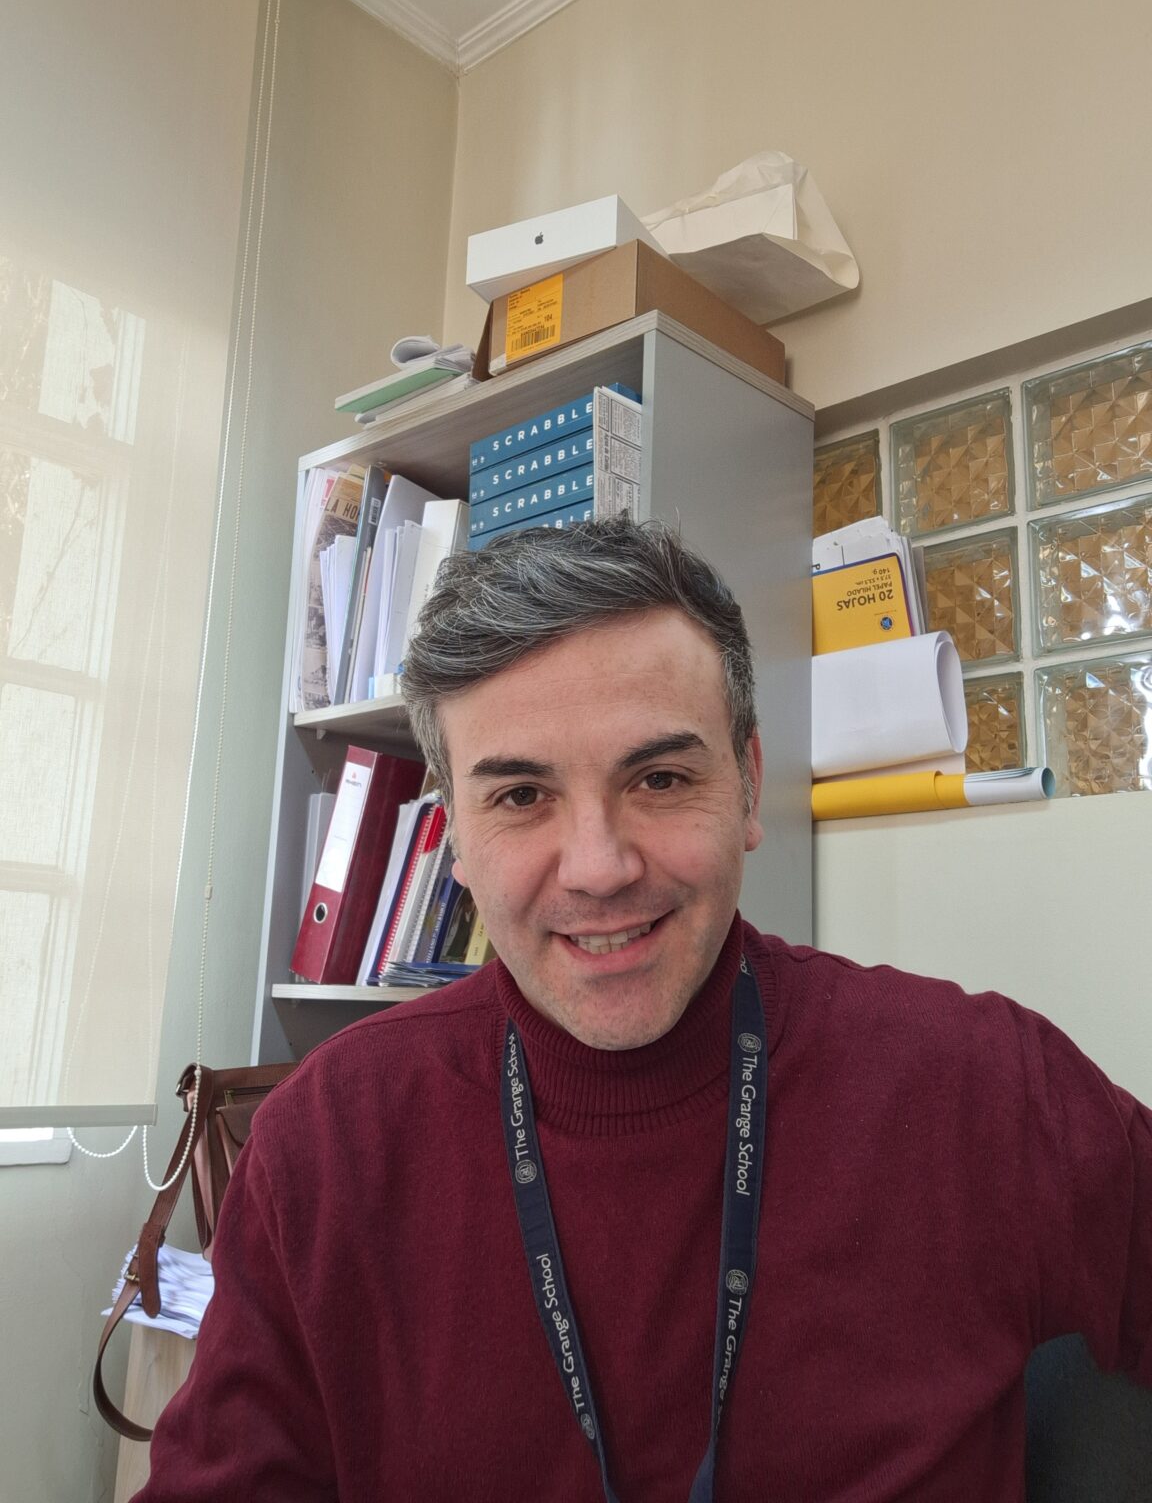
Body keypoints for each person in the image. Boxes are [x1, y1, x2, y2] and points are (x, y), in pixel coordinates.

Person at [135, 517, 1151, 1502]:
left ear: (748, 786)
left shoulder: (980, 1086)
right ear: (453, 838)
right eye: (521, 796)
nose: (599, 867)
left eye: (660, 778)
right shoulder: (324, 1147)